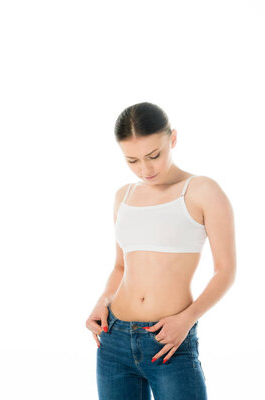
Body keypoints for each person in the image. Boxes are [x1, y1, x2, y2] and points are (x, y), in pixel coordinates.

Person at [85, 102, 235, 399]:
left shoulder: (202, 190)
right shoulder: (123, 196)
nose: (145, 169)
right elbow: (120, 267)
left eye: (154, 155)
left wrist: (187, 319)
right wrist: (102, 302)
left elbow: (226, 270)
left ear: (173, 139)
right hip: (113, 340)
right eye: (132, 160)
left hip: (169, 341)